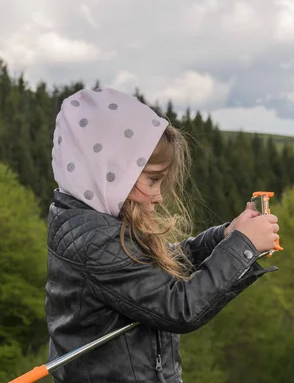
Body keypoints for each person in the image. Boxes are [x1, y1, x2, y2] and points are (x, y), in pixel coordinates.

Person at [46, 87, 280, 383]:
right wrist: (243, 246)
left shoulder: (92, 225)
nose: (158, 196)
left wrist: (225, 237)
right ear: (111, 172)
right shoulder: (94, 241)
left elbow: (157, 270)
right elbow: (180, 307)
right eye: (153, 179)